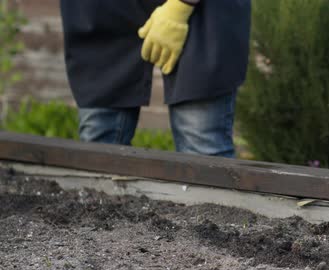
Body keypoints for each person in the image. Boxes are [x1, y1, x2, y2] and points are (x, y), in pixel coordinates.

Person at [59, 0, 251, 157]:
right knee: (98, 152)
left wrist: (181, 5)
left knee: (202, 151)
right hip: (101, 10)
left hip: (202, 10)